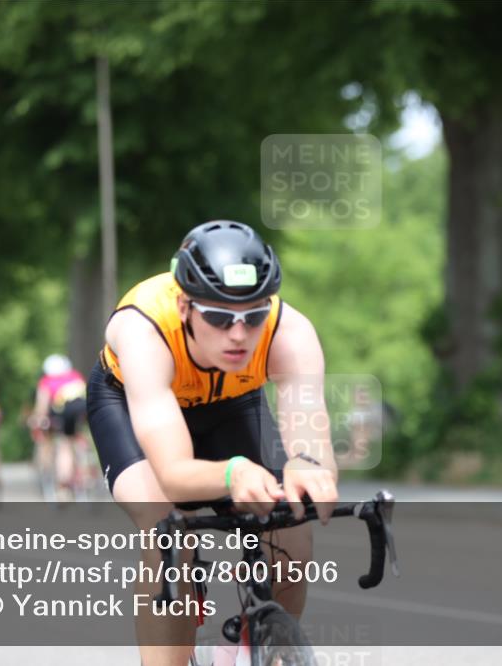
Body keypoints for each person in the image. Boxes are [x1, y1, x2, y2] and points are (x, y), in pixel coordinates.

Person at [87, 220, 338, 665]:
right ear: (185, 305)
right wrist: (233, 472)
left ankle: (255, 645)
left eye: (253, 315)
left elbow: (310, 442)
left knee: (292, 538)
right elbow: (174, 473)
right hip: (132, 404)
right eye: (220, 318)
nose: (238, 335)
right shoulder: (144, 332)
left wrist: (308, 466)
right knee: (166, 532)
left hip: (231, 401)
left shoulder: (290, 332)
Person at [32, 354, 88, 498]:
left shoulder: (47, 381)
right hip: (84, 409)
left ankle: (63, 484)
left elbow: (42, 406)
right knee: (78, 436)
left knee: (64, 444)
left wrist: (39, 420)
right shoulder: (76, 376)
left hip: (65, 412)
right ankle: (88, 469)